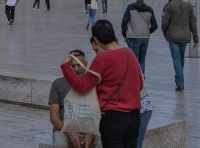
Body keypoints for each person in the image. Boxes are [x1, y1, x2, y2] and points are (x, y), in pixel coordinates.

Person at [60, 20, 143, 148]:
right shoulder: (130, 53)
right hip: (134, 117)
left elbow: (82, 86)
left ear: (96, 40)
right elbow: (140, 84)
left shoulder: (103, 58)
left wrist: (65, 67)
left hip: (113, 118)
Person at [49, 48, 102, 148]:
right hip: (63, 130)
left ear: (86, 64)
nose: (77, 69)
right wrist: (70, 133)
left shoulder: (93, 83)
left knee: (101, 143)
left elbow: (98, 113)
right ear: (68, 66)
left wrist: (89, 134)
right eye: (73, 65)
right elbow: (54, 117)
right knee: (60, 144)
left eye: (80, 65)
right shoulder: (58, 84)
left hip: (90, 130)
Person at [160, 0, 198, 92]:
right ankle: (179, 79)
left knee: (176, 59)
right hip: (185, 36)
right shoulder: (188, 6)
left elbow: (164, 23)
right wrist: (195, 37)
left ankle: (180, 82)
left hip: (172, 36)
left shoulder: (168, 6)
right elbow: (193, 23)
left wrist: (165, 32)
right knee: (181, 58)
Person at [121, 0, 158, 74]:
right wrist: (147, 31)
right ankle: (142, 78)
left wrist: (124, 34)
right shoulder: (150, 9)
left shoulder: (130, 7)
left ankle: (132, 80)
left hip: (133, 36)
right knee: (142, 59)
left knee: (132, 60)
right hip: (145, 37)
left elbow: (124, 22)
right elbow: (155, 25)